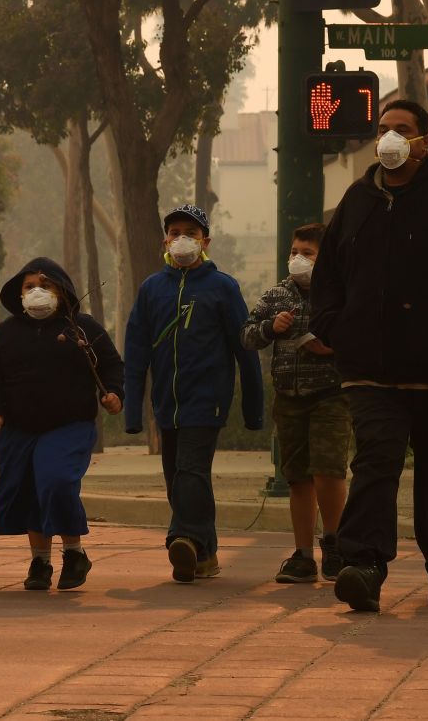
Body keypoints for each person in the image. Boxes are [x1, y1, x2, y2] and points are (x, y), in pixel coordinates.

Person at [311, 99, 428, 612]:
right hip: (372, 373)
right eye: (383, 130)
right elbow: (328, 280)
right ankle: (364, 566)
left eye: (402, 130)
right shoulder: (356, 200)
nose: (390, 138)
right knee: (375, 463)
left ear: (424, 142)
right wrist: (338, 329)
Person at [124, 204, 264, 584]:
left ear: (206, 241)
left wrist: (254, 409)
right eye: (175, 231)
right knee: (179, 477)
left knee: (191, 469)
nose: (182, 238)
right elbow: (136, 351)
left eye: (191, 231)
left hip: (208, 399)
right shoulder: (152, 289)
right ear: (164, 240)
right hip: (166, 404)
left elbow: (245, 350)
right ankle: (205, 553)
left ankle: (182, 537)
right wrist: (133, 412)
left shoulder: (223, 287)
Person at [0, 257, 124, 591]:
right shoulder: (6, 332)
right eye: (29, 286)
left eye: (45, 285)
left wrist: (114, 394)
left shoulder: (82, 328)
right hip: (19, 429)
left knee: (56, 481)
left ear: (61, 291)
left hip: (69, 425)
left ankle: (74, 553)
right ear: (19, 295)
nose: (37, 292)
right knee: (30, 489)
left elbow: (111, 365)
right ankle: (40, 561)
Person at [242, 223, 350, 584]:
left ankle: (335, 545)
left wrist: (332, 345)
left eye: (307, 253)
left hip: (330, 396)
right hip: (288, 398)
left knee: (328, 470)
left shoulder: (340, 293)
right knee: (298, 477)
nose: (298, 259)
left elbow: (362, 333)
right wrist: (271, 327)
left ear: (326, 258)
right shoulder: (277, 295)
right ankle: (303, 556)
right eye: (294, 252)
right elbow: (247, 334)